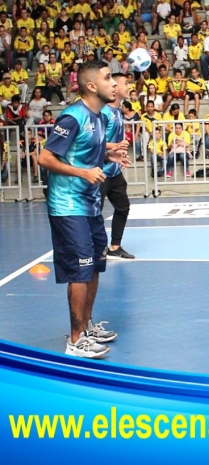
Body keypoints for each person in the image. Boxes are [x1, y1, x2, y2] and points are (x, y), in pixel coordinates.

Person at [38, 60, 129, 359]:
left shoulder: (100, 116)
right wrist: (83, 173)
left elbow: (85, 150)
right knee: (80, 269)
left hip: (89, 204)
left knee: (94, 266)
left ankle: (86, 327)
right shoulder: (73, 116)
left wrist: (109, 155)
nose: (114, 83)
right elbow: (45, 158)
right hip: (68, 205)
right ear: (91, 86)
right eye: (108, 78)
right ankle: (76, 341)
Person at [100, 73, 135, 260]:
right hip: (100, 171)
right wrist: (114, 146)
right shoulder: (104, 112)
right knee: (95, 212)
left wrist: (120, 150)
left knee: (123, 207)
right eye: (125, 83)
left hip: (114, 171)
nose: (129, 86)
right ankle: (97, 248)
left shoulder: (118, 111)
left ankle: (115, 246)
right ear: (114, 87)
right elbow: (93, 141)